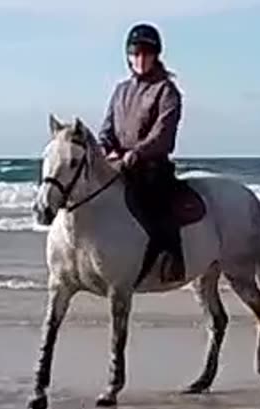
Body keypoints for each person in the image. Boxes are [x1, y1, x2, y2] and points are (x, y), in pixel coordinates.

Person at [99, 23, 185, 284]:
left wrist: (136, 153)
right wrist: (104, 148)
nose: (140, 59)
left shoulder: (166, 91)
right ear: (128, 56)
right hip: (120, 165)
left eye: (146, 53)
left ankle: (174, 259)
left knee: (154, 210)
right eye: (135, 53)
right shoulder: (120, 90)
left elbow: (163, 134)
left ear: (156, 55)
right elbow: (107, 128)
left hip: (151, 167)